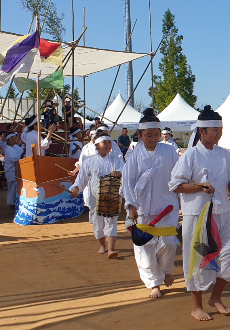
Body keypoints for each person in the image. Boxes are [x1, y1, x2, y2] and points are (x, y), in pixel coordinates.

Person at [170, 105, 230, 322]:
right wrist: (199, 187)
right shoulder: (189, 155)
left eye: (220, 129)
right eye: (214, 130)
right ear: (201, 131)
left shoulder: (225, 155)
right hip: (197, 216)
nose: (218, 134)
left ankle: (215, 297)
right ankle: (197, 306)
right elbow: (175, 185)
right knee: (196, 260)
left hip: (222, 212)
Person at [121, 108, 180, 298]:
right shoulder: (133, 156)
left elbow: (178, 176)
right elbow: (128, 184)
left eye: (156, 135)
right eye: (148, 135)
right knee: (145, 247)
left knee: (170, 243)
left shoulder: (169, 151)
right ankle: (154, 283)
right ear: (139, 135)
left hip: (168, 206)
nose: (153, 139)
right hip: (142, 209)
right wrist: (131, 209)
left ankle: (166, 271)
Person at [69, 131, 124, 259]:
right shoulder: (89, 162)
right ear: (97, 145)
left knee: (111, 221)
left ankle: (111, 249)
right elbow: (81, 180)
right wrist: (76, 189)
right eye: (105, 143)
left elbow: (125, 171)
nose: (108, 145)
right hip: (95, 197)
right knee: (98, 223)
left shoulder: (117, 160)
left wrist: (119, 173)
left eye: (109, 142)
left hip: (112, 196)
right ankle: (102, 246)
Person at [2, 132, 23, 212]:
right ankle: (11, 206)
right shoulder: (8, 149)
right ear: (8, 141)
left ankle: (16, 205)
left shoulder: (16, 147)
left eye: (15, 138)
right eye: (12, 139)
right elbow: (15, 160)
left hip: (17, 172)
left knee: (17, 189)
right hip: (12, 172)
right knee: (12, 189)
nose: (14, 140)